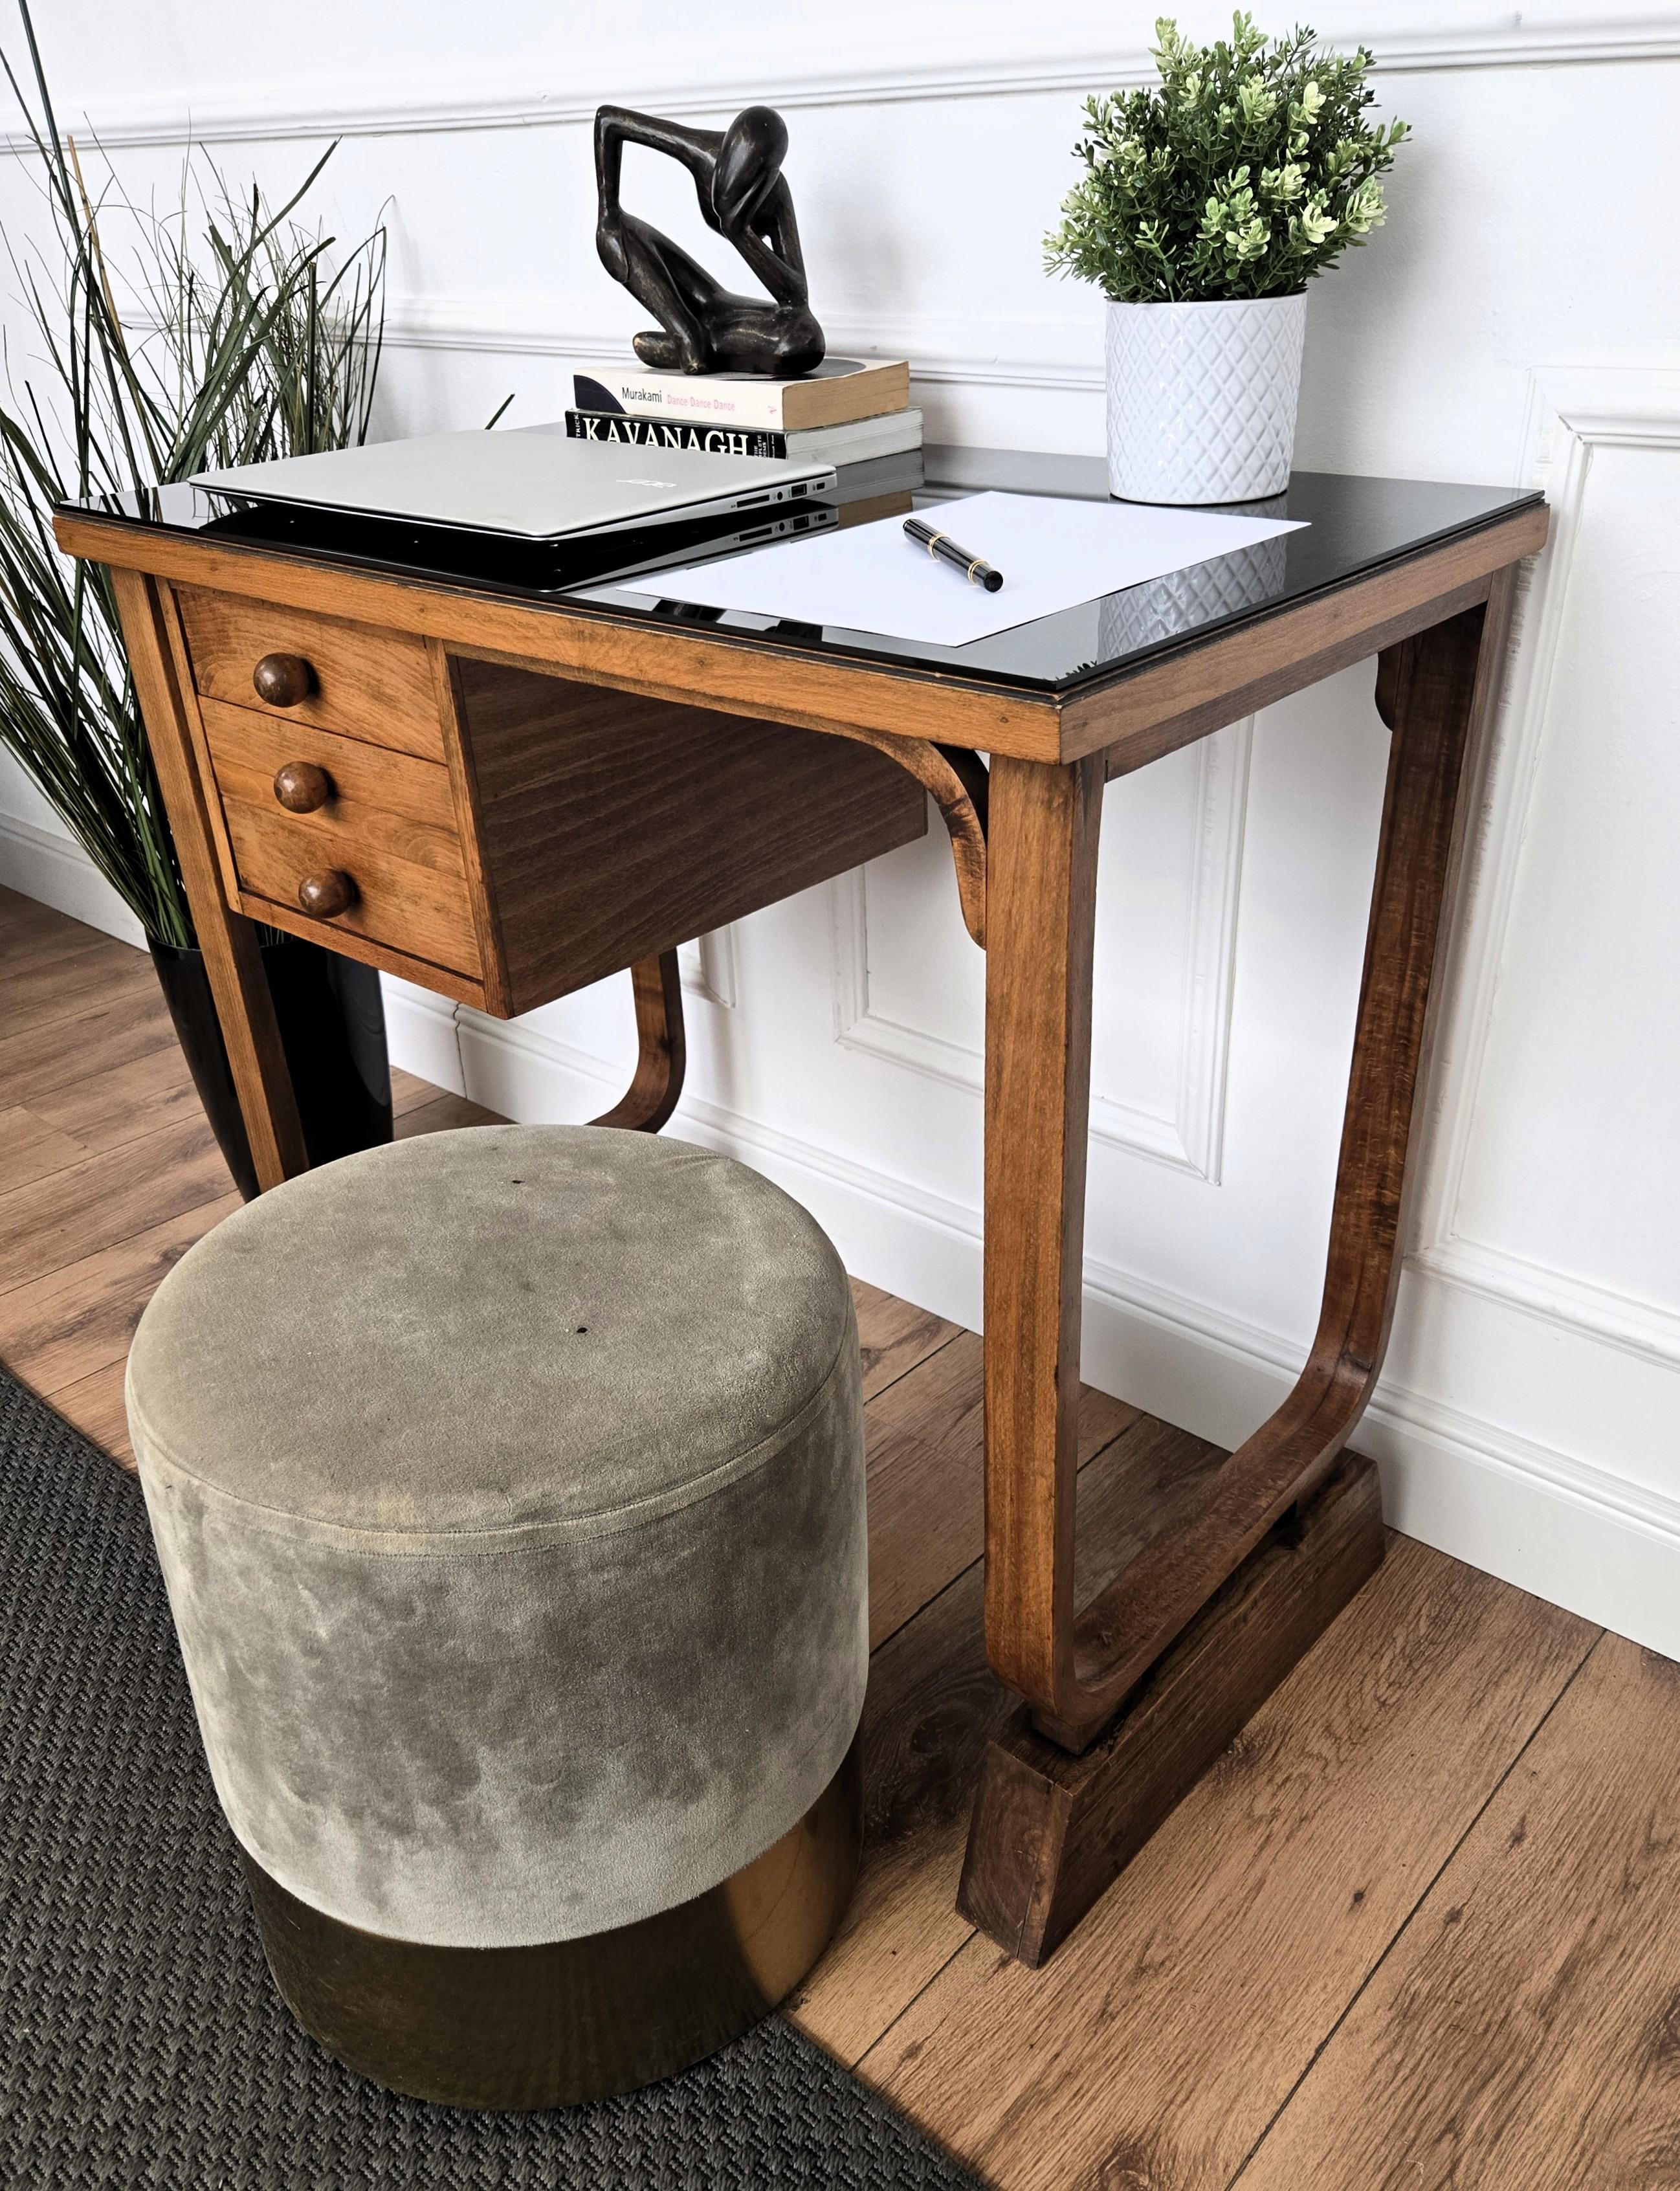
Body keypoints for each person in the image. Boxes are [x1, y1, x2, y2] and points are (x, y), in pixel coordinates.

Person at [593, 104, 826, 377]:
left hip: (723, 308)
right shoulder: (700, 149)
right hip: (701, 298)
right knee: (611, 234)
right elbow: (609, 120)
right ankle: (685, 333)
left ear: (764, 177)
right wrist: (607, 207)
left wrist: (740, 234)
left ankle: (699, 344)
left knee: (804, 340)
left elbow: (796, 297)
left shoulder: (774, 195)